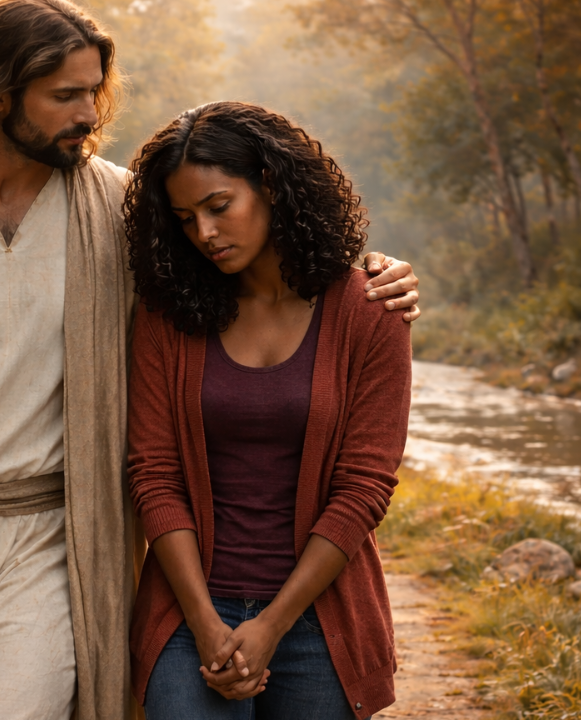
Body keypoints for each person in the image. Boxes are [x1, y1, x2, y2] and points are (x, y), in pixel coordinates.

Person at [0, 3, 421, 719]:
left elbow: (254, 259)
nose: (90, 113)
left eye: (95, 92)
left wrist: (371, 272)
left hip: (48, 543)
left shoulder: (117, 212)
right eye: (66, 95)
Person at [124, 101, 412, 720]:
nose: (204, 233)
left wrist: (274, 624)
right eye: (184, 218)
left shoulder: (370, 309)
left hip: (318, 616)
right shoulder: (168, 313)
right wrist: (204, 624)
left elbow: (364, 486)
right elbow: (154, 472)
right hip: (190, 608)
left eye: (219, 206)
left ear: (274, 187)